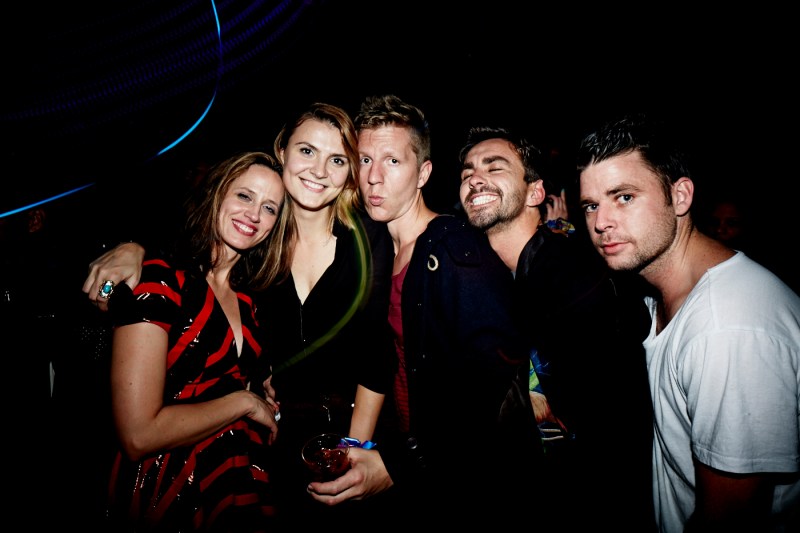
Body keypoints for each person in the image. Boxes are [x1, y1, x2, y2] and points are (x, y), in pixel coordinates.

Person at [81, 102, 396, 528]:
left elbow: (376, 351)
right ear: (283, 151)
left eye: (337, 159)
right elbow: (170, 258)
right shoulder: (220, 272)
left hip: (256, 464)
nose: (320, 170)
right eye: (307, 151)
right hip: (178, 479)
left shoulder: (258, 279)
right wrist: (130, 253)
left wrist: (353, 448)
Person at [306, 94, 536, 525]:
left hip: (467, 480)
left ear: (423, 173)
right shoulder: (379, 248)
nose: (373, 177)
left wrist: (401, 463)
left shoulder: (455, 252)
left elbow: (490, 388)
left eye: (392, 161)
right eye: (365, 160)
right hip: (414, 461)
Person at [576, 113, 800, 532]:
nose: (600, 222)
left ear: (680, 196)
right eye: (591, 205)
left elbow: (732, 520)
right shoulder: (660, 295)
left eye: (624, 197)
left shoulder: (726, 327)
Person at [457, 125, 656, 529]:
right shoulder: (499, 277)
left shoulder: (570, 276)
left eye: (494, 168)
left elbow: (612, 424)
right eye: (467, 172)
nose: (475, 178)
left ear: (535, 193)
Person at [102, 151, 285, 531]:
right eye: (244, 195)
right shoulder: (159, 281)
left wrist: (262, 390)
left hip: (236, 477)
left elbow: (228, 377)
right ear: (216, 193)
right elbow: (138, 435)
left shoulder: (250, 299)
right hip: (167, 488)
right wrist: (244, 403)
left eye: (269, 207)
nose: (254, 214)